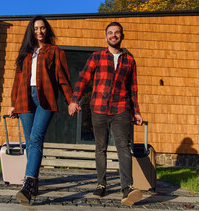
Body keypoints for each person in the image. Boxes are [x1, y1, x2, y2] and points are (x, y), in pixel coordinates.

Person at [68, 22, 143, 205]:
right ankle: (101, 184)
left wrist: (137, 112)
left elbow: (133, 88)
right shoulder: (96, 57)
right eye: (110, 33)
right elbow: (83, 78)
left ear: (122, 36)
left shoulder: (130, 60)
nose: (114, 35)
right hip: (99, 108)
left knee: (123, 148)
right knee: (100, 148)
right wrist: (75, 99)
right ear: (106, 37)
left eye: (117, 33)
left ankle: (127, 188)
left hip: (121, 109)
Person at [9, 15, 73, 205]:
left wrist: (71, 100)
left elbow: (63, 79)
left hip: (45, 98)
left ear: (47, 30)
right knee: (30, 142)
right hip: (24, 98)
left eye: (43, 28)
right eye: (36, 28)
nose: (39, 31)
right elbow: (17, 81)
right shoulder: (25, 53)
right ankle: (33, 182)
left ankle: (28, 183)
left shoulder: (55, 51)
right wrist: (13, 103)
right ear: (31, 31)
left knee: (36, 138)